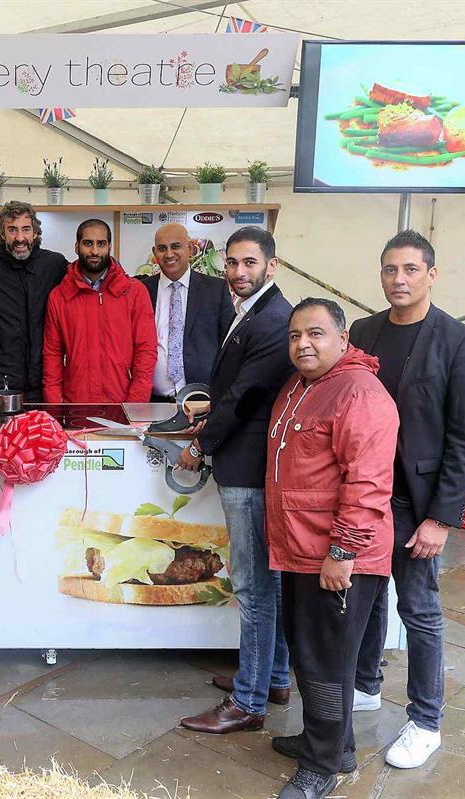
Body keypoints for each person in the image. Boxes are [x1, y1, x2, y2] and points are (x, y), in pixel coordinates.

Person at [349, 230, 465, 769]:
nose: (398, 280)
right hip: (366, 495)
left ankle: (426, 719)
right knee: (364, 598)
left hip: (417, 502)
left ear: (431, 274)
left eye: (409, 270)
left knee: (419, 610)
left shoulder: (459, 341)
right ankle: (364, 684)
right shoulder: (363, 331)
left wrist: (440, 518)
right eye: (389, 270)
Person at [267, 298, 398, 799]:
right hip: (301, 548)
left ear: (343, 339)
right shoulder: (302, 386)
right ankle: (330, 742)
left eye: (316, 333)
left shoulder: (359, 392)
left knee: (326, 660)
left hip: (338, 555)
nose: (303, 343)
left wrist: (343, 553)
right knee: (310, 651)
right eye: (296, 334)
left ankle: (322, 767)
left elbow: (368, 483)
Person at [179, 226, 295, 735]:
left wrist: (200, 444)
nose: (238, 272)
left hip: (248, 468)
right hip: (247, 458)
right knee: (268, 583)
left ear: (271, 266)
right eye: (231, 263)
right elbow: (237, 391)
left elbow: (245, 396)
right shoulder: (257, 311)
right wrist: (211, 418)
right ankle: (271, 677)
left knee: (253, 587)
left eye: (249, 263)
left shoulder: (273, 319)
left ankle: (248, 703)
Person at [42, 219, 156, 403]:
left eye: (101, 244)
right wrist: (56, 406)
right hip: (76, 405)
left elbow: (146, 351)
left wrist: (136, 404)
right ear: (76, 246)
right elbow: (52, 355)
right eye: (88, 243)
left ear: (109, 247)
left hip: (123, 404)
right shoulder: (59, 296)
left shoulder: (134, 292)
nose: (95, 251)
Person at [0, 201, 68, 400]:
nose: (20, 238)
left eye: (26, 229)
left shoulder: (54, 265)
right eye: (12, 230)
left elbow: (86, 283)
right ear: (2, 234)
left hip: (44, 387)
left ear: (35, 233)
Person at [138, 222, 234, 402]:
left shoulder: (216, 290)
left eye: (175, 246)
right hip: (152, 401)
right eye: (161, 248)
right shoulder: (142, 290)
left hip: (202, 400)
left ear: (190, 248)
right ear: (155, 252)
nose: (168, 254)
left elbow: (228, 348)